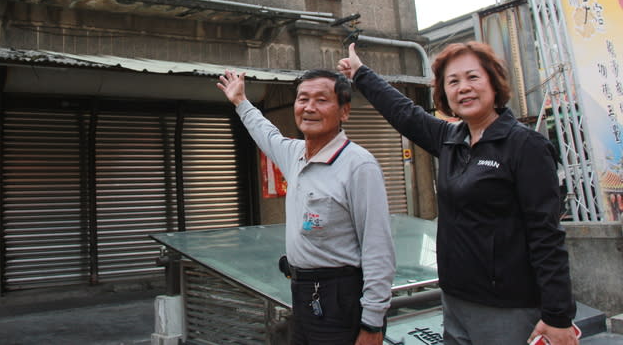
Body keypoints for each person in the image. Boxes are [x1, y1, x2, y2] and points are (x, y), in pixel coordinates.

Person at [337, 42, 578, 345]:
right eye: (453, 81)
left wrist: (558, 316)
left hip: (507, 307)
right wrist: (361, 74)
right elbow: (404, 113)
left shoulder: (525, 146)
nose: (463, 88)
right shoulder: (451, 139)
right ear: (444, 93)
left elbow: (546, 235)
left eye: (473, 78)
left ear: (493, 83)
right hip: (454, 299)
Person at [216, 68, 395, 345]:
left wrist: (372, 323)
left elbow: (378, 248)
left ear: (344, 112)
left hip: (340, 298)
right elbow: (266, 134)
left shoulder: (359, 165)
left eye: (321, 100)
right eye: (303, 99)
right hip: (302, 293)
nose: (309, 107)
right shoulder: (295, 154)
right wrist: (241, 101)